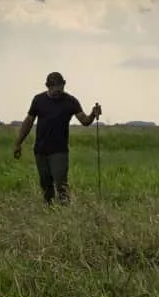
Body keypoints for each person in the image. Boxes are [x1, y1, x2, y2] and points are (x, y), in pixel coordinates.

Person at [12, 71, 101, 205]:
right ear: (48, 86)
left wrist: (93, 114)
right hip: (41, 150)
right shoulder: (38, 100)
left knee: (61, 183)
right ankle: (49, 211)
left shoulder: (71, 101)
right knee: (45, 184)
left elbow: (85, 121)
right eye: (55, 88)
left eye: (61, 87)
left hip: (59, 150)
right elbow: (28, 122)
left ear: (64, 85)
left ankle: (65, 210)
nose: (58, 91)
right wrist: (18, 143)